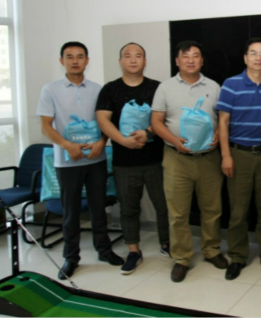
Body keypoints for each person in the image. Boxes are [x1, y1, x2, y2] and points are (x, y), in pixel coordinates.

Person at [37, 41, 124, 280]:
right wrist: (67, 146)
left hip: (95, 159)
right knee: (70, 212)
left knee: (98, 209)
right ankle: (71, 257)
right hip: (67, 161)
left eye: (80, 56)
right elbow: (45, 126)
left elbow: (107, 122)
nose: (75, 61)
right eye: (69, 56)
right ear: (61, 61)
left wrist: (102, 142)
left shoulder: (98, 89)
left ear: (87, 60)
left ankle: (104, 250)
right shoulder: (50, 90)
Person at [151, 41, 226, 283]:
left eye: (196, 55)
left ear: (202, 60)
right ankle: (182, 258)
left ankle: (212, 250)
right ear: (177, 61)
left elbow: (223, 119)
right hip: (177, 158)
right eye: (186, 56)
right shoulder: (165, 88)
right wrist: (174, 140)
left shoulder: (214, 87)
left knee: (212, 209)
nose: (191, 60)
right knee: (178, 213)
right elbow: (156, 122)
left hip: (208, 159)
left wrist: (218, 135)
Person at [96, 42, 169, 275]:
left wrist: (148, 132)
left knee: (165, 206)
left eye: (138, 55)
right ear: (120, 61)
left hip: (156, 160)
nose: (133, 60)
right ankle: (134, 251)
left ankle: (167, 244)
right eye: (128, 56)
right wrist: (122, 140)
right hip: (124, 162)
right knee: (128, 209)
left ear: (145, 61)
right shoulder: (110, 89)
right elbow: (102, 119)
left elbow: (165, 118)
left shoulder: (157, 88)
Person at [217, 37, 261, 281]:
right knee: (238, 211)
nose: (258, 58)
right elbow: (223, 122)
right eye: (253, 53)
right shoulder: (231, 84)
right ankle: (237, 257)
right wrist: (226, 155)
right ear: (245, 58)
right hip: (239, 154)